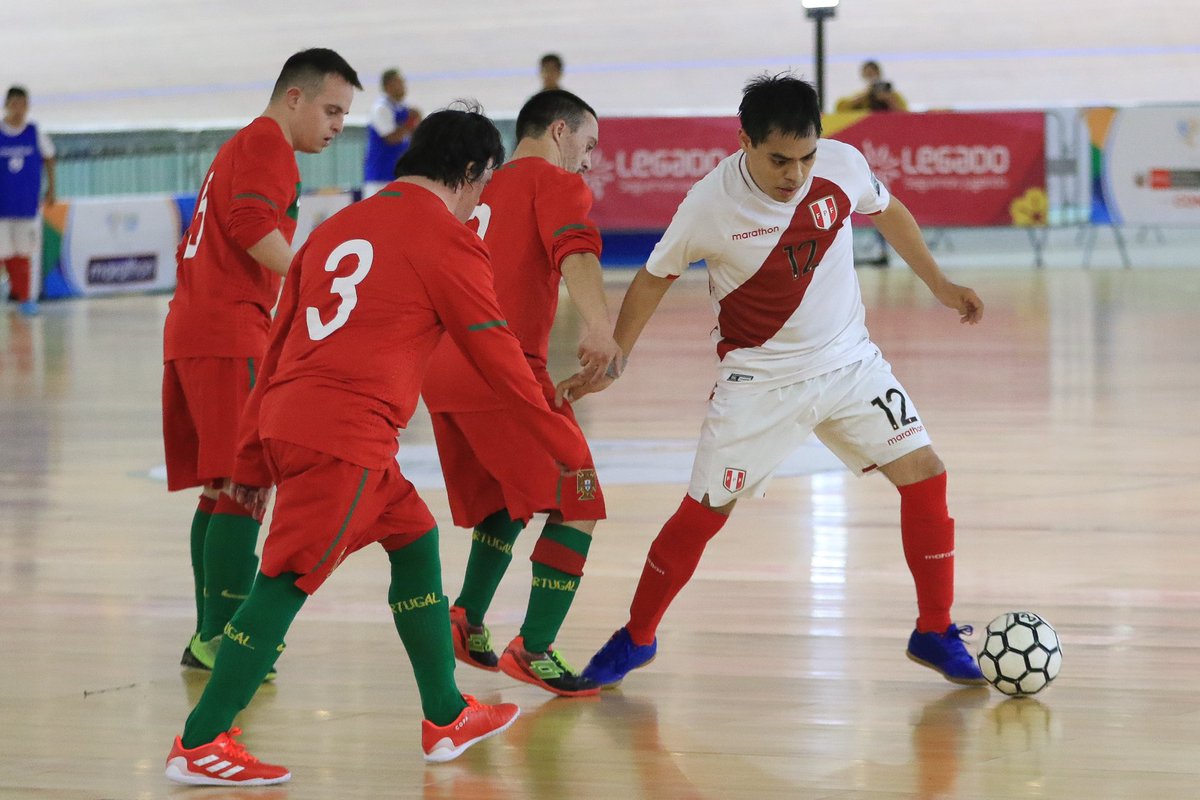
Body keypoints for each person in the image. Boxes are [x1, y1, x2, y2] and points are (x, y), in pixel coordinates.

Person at [164, 104, 592, 785]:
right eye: (485, 184)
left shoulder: (337, 228)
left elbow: (279, 341)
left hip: (297, 419)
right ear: (475, 172)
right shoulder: (445, 240)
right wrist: (563, 444)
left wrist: (251, 446)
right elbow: (500, 358)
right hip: (344, 436)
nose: (482, 199)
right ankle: (201, 740)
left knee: (415, 538)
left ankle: (447, 714)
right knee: (284, 581)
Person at [559, 74, 987, 689]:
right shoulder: (709, 204)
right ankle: (637, 637)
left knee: (927, 474)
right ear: (744, 144)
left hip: (850, 364)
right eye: (779, 160)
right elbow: (654, 278)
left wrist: (940, 285)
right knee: (704, 512)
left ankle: (935, 629)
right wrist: (618, 356)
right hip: (759, 380)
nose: (796, 174)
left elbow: (887, 211)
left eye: (807, 156)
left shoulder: (842, 165)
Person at [163, 48, 362, 680]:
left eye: (345, 115)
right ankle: (224, 639)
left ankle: (207, 636)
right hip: (229, 332)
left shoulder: (242, 147)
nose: (336, 125)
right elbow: (249, 223)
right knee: (246, 484)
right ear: (294, 98)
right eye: (331, 110)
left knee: (221, 486)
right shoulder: (267, 146)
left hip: (197, 328)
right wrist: (313, 282)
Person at [422, 89, 619, 697]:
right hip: (498, 368)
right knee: (578, 500)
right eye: (587, 146)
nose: (588, 162)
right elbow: (577, 251)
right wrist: (600, 326)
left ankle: (465, 617)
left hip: (440, 369)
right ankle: (534, 648)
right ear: (559, 132)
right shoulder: (553, 183)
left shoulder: (478, 186)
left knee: (506, 503)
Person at [0, 86, 56, 316]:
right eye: (14, 104)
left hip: (26, 204)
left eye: (23, 104)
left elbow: (50, 158)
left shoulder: (35, 133)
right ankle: (15, 291)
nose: (18, 109)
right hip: (2, 206)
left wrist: (52, 189)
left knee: (23, 251)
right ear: (6, 105)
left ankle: (24, 298)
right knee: (4, 251)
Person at [362, 68, 421, 197]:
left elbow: (416, 136)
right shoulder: (381, 108)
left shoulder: (404, 108)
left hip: (398, 174)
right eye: (399, 83)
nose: (403, 86)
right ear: (388, 86)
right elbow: (392, 137)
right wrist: (410, 122)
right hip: (380, 176)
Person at [835, 60, 908, 113]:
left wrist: (889, 100)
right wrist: (865, 95)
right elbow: (841, 109)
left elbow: (906, 114)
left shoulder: (893, 95)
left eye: (873, 73)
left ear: (879, 73)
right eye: (868, 74)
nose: (871, 77)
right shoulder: (861, 96)